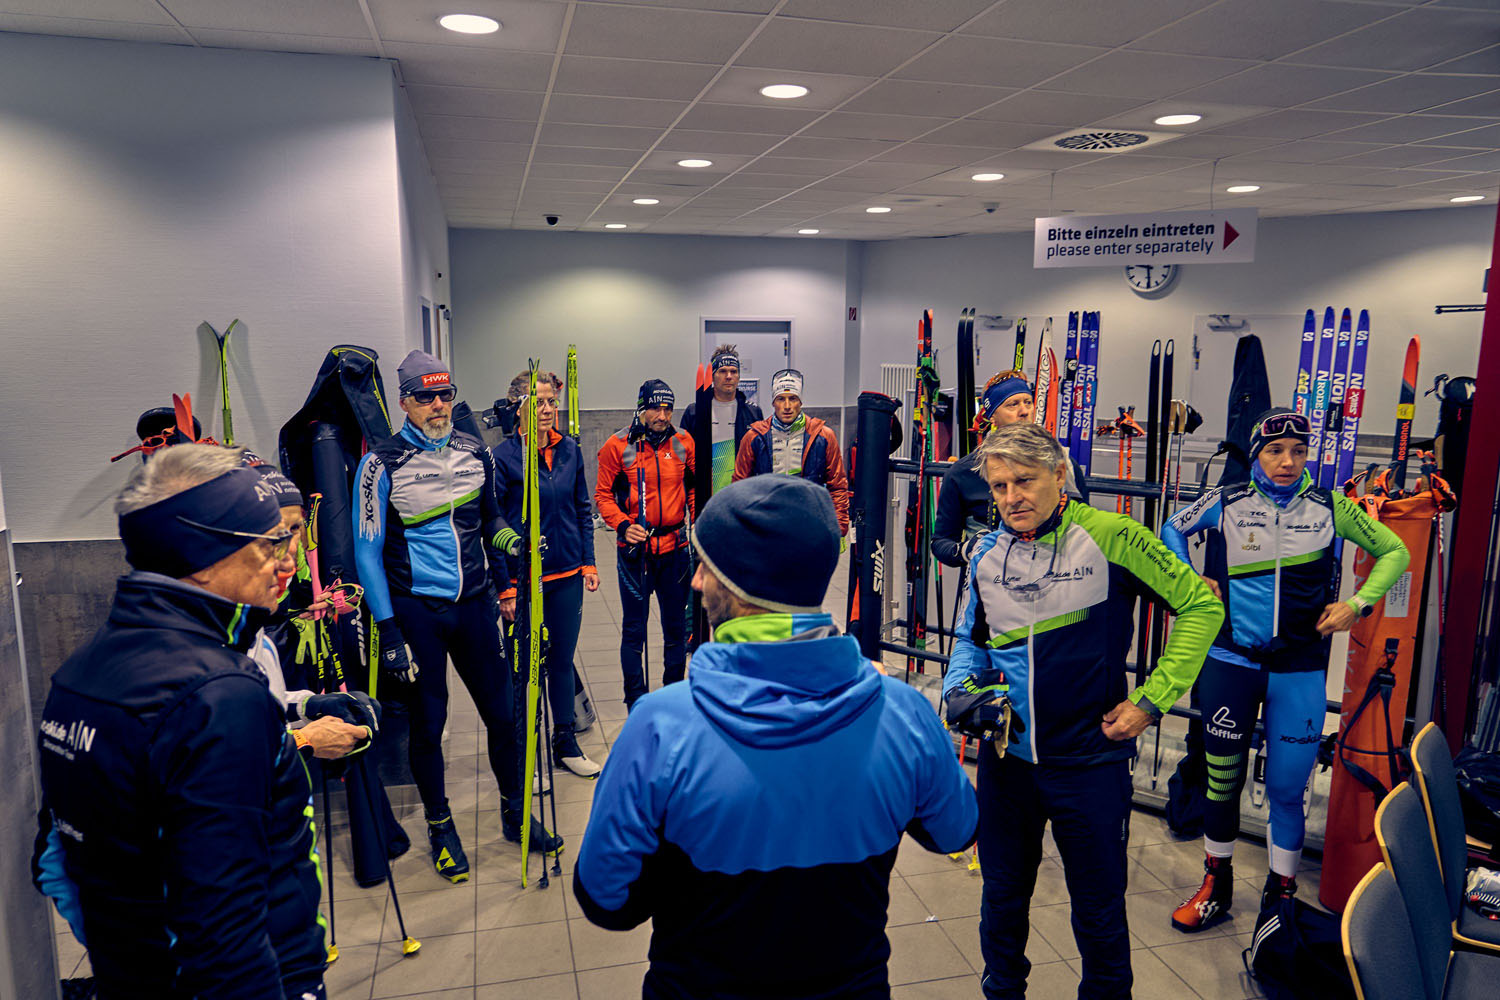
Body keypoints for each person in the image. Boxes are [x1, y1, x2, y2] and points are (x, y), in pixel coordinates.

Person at [574, 476, 978, 998]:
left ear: (739, 583)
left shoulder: (659, 727)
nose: (695, 581)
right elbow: (955, 832)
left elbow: (606, 899)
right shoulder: (904, 714)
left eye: (706, 566)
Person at [33, 444, 366, 1000]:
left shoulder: (81, 670)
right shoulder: (218, 694)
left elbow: (54, 864)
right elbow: (225, 935)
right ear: (204, 556)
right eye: (269, 543)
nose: (287, 563)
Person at [943, 422, 1222, 1000]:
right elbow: (970, 638)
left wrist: (1150, 701)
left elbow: (1201, 607)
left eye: (1024, 481)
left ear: (1059, 475)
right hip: (1008, 764)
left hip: (1091, 762)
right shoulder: (986, 553)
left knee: (1097, 910)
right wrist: (957, 688)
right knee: (1001, 899)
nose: (1012, 497)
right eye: (999, 486)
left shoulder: (1114, 535)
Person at [1163, 407, 1409, 930]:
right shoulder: (1227, 499)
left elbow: (1394, 551)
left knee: (1286, 789)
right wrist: (1189, 580)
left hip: (1299, 668)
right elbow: (1171, 529)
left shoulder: (1330, 506)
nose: (1287, 461)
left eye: (1298, 451)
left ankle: (1280, 897)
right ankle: (1216, 885)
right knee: (1221, 782)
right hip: (1231, 661)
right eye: (1275, 451)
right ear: (1257, 454)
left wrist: (1358, 604)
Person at [354, 350, 562, 884]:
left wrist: (516, 543)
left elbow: (490, 520)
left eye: (445, 395)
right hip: (417, 610)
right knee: (428, 725)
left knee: (504, 716)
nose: (438, 405)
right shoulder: (381, 463)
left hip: (475, 605)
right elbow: (367, 553)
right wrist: (388, 629)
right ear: (405, 402)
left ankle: (515, 813)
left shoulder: (476, 451)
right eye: (426, 397)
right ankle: (440, 827)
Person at [493, 368, 601, 778]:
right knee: (525, 671)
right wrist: (504, 588)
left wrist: (588, 560)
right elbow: (493, 526)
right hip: (524, 583)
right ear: (518, 407)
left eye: (552, 402)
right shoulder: (503, 458)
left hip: (567, 574)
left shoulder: (569, 449)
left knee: (560, 662)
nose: (547, 409)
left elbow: (582, 509)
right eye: (538, 402)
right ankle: (526, 755)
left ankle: (565, 743)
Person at [595, 378, 696, 709]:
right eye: (655, 408)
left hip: (674, 550)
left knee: (675, 630)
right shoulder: (617, 445)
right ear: (641, 409)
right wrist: (623, 526)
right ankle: (636, 702)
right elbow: (603, 496)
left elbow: (694, 487)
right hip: (635, 553)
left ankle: (673, 697)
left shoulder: (683, 442)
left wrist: (696, 519)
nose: (662, 416)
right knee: (634, 630)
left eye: (668, 409)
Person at [932, 369, 1088, 569]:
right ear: (993, 417)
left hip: (1049, 576)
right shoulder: (963, 472)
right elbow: (941, 542)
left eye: (1028, 402)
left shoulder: (1061, 464)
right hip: (989, 577)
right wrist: (966, 550)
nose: (1024, 411)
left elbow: (1084, 528)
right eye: (1012, 404)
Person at [732, 367, 850, 535]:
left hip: (810, 525)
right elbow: (740, 487)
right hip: (768, 525)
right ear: (773, 403)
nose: (787, 406)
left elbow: (837, 486)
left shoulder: (824, 436)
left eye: (793, 398)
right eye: (781, 399)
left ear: (800, 402)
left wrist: (838, 527)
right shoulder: (754, 437)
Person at [681, 343, 763, 494]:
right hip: (705, 493)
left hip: (741, 492)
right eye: (723, 371)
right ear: (712, 376)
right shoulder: (694, 412)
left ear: (739, 376)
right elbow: (684, 458)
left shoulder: (753, 413)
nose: (729, 376)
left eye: (734, 371)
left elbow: (758, 458)